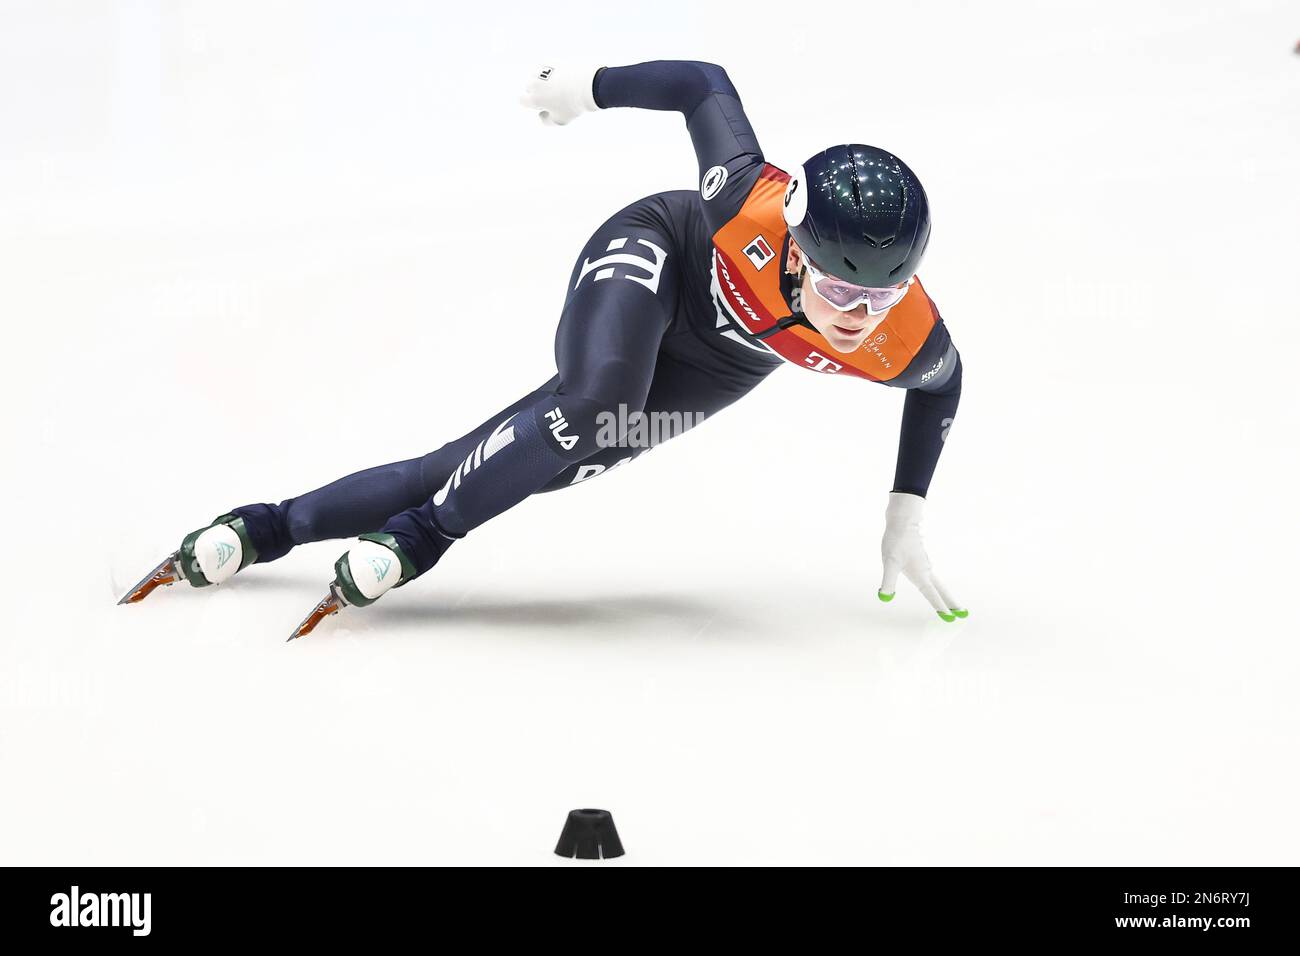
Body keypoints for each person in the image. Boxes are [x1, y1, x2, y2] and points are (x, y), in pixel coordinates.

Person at [120, 60, 968, 638]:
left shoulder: (902, 336)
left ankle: (265, 529)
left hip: (720, 365)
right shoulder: (746, 198)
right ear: (791, 242)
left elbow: (943, 385)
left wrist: (907, 508)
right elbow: (703, 86)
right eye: (840, 286)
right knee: (596, 405)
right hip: (660, 254)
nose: (859, 316)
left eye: (882, 294)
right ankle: (421, 541)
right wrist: (587, 89)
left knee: (532, 455)